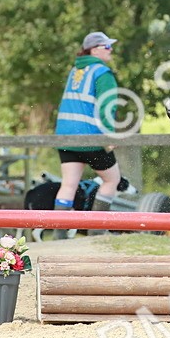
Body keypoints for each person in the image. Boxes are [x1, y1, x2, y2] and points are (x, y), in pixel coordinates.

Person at [53, 31, 121, 215]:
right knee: (112, 180)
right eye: (106, 46)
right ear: (94, 51)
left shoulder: (75, 70)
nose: (110, 49)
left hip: (66, 137)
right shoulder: (102, 73)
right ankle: (97, 229)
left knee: (68, 184)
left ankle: (59, 233)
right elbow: (107, 106)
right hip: (90, 137)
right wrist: (109, 134)